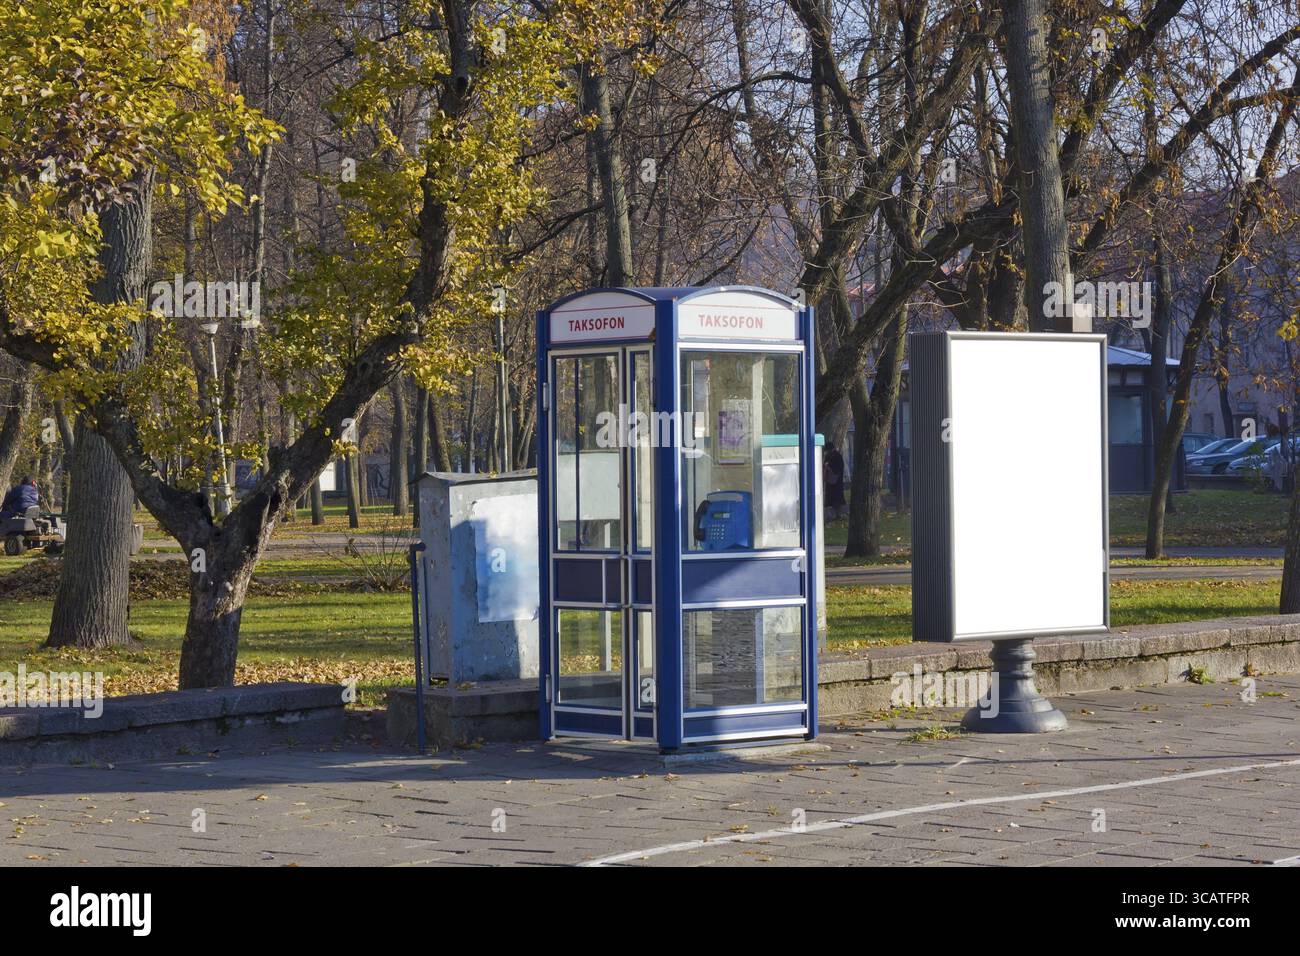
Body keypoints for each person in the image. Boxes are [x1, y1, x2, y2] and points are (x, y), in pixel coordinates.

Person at [823, 442, 846, 520]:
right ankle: (835, 514)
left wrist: (829, 468)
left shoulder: (835, 456)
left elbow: (837, 468)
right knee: (834, 498)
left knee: (835, 498)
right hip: (833, 481)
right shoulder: (835, 456)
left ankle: (836, 514)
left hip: (835, 481)